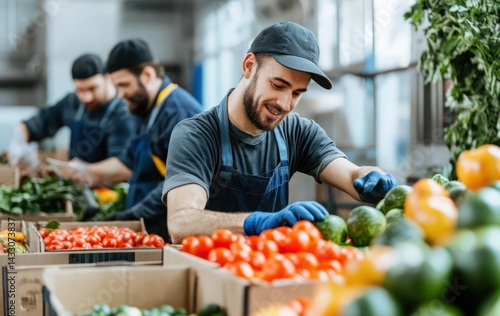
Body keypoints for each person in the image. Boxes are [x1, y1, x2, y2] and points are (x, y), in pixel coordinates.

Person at [162, 22, 398, 244]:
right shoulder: (196, 135)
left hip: (273, 270)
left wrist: (371, 176)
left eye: (297, 93)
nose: (285, 104)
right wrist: (255, 222)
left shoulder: (298, 132)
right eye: (278, 85)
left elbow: (351, 175)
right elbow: (180, 222)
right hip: (212, 275)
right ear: (249, 66)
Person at [67, 39, 203, 241]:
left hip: (164, 235)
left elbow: (177, 184)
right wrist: (87, 171)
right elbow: (128, 163)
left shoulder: (179, 114)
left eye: (124, 85)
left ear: (147, 75)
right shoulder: (145, 109)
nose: (120, 95)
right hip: (144, 229)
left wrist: (130, 215)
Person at [8, 54, 138, 171]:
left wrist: (87, 172)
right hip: (77, 189)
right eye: (80, 90)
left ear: (108, 78)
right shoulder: (72, 103)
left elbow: (122, 167)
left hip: (109, 193)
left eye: (92, 89)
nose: (86, 97)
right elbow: (38, 122)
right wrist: (18, 141)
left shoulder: (123, 113)